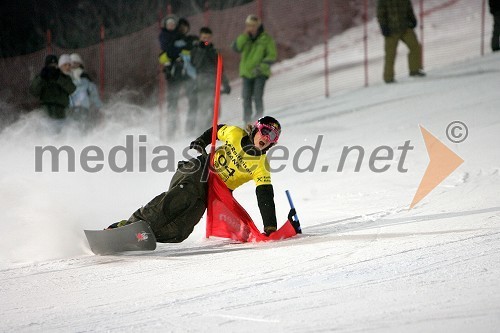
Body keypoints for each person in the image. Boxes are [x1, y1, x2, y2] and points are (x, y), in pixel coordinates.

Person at [108, 116, 292, 243]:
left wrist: (270, 226)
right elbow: (218, 129)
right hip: (199, 169)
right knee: (182, 197)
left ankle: (142, 236)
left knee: (180, 230)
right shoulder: (235, 134)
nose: (267, 138)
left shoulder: (261, 165)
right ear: (256, 129)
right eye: (266, 131)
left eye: (273, 137)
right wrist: (202, 141)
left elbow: (265, 196)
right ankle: (128, 225)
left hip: (212, 190)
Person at [232, 15, 277, 124]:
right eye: (248, 25)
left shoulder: (266, 38)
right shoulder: (244, 38)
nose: (251, 28)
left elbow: (272, 55)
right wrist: (244, 36)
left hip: (260, 73)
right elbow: (236, 48)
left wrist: (261, 67)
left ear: (258, 26)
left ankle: (258, 121)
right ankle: (247, 122)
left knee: (257, 97)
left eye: (253, 25)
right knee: (246, 98)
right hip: (246, 73)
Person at [159, 16, 199, 137]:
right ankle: (171, 130)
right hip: (174, 75)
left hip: (187, 74)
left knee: (192, 100)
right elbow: (168, 51)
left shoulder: (186, 38)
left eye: (185, 27)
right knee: (172, 102)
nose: (182, 30)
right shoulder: (166, 37)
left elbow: (192, 48)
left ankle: (190, 128)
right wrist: (181, 49)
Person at [191, 27, 231, 132]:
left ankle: (209, 130)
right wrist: (202, 50)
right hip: (201, 84)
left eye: (208, 38)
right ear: (200, 38)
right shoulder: (195, 50)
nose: (206, 40)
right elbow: (196, 64)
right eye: (204, 38)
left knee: (216, 111)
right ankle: (200, 132)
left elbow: (220, 69)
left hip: (213, 84)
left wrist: (226, 84)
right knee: (203, 110)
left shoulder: (214, 51)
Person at [376, 0, 425, 83]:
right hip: (391, 30)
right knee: (390, 54)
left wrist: (412, 19)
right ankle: (388, 77)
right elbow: (380, 13)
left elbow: (409, 8)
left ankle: (414, 70)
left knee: (415, 47)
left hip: (405, 27)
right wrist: (383, 26)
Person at [29, 54, 76, 119]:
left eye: (54, 66)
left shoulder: (63, 77)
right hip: (45, 110)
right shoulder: (42, 77)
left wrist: (58, 78)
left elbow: (72, 89)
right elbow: (33, 91)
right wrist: (41, 78)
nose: (52, 68)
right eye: (50, 66)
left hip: (61, 111)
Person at [68, 53, 103, 125]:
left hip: (82, 107)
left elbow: (93, 93)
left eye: (75, 63)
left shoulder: (85, 77)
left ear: (79, 64)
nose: (73, 65)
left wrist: (99, 106)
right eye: (72, 63)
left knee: (82, 126)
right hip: (70, 107)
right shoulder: (65, 77)